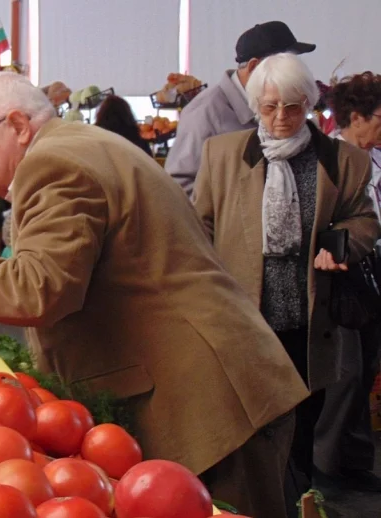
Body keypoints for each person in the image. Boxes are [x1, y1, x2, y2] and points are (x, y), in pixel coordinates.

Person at [0, 71, 310, 518]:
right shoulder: (78, 144)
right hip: (213, 383)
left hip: (211, 399)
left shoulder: (52, 163)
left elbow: (41, 288)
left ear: (17, 126)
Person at [193, 54, 381, 508]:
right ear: (256, 103)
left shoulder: (345, 160)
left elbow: (365, 220)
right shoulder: (223, 155)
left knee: (303, 421)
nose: (281, 118)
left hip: (311, 322)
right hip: (245, 321)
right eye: (270, 106)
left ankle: (296, 501)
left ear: (311, 106)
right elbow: (200, 227)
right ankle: (263, 501)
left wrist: (340, 246)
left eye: (293, 107)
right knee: (252, 424)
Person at [313, 72, 381, 496]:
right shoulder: (331, 158)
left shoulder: (374, 157)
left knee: (367, 366)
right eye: (378, 118)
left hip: (373, 268)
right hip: (341, 273)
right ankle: (324, 464)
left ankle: (353, 460)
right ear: (355, 117)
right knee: (345, 370)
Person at [167, 21, 315, 197]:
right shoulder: (205, 112)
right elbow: (178, 187)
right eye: (283, 65)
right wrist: (227, 217)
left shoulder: (280, 106)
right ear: (254, 67)